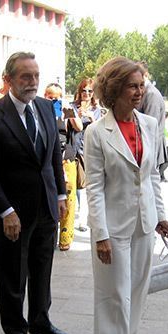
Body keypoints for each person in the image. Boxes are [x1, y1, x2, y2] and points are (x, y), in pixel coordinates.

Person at [0, 52, 69, 334]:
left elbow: (53, 153)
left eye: (36, 76)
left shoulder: (44, 107)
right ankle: (16, 330)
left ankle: (40, 320)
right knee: (13, 274)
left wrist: (61, 195)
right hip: (11, 214)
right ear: (9, 79)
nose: (32, 82)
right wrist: (5, 210)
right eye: (25, 77)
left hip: (45, 208)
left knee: (43, 267)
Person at [84, 57, 168, 334]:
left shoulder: (148, 124)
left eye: (142, 85)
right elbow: (93, 186)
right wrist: (100, 234)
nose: (139, 91)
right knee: (112, 291)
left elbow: (152, 177)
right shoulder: (97, 131)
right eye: (133, 86)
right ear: (115, 88)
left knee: (135, 289)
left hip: (144, 221)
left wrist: (161, 215)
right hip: (113, 224)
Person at [63, 78, 102, 249]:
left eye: (90, 91)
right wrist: (73, 115)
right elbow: (65, 126)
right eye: (84, 90)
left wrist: (92, 118)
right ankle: (69, 219)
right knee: (72, 186)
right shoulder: (72, 106)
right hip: (72, 150)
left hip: (89, 151)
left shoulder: (97, 110)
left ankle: (83, 219)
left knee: (87, 186)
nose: (86, 94)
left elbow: (100, 129)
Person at [137, 62, 168, 176]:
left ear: (145, 75)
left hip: (151, 150)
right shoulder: (144, 92)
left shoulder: (151, 94)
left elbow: (149, 128)